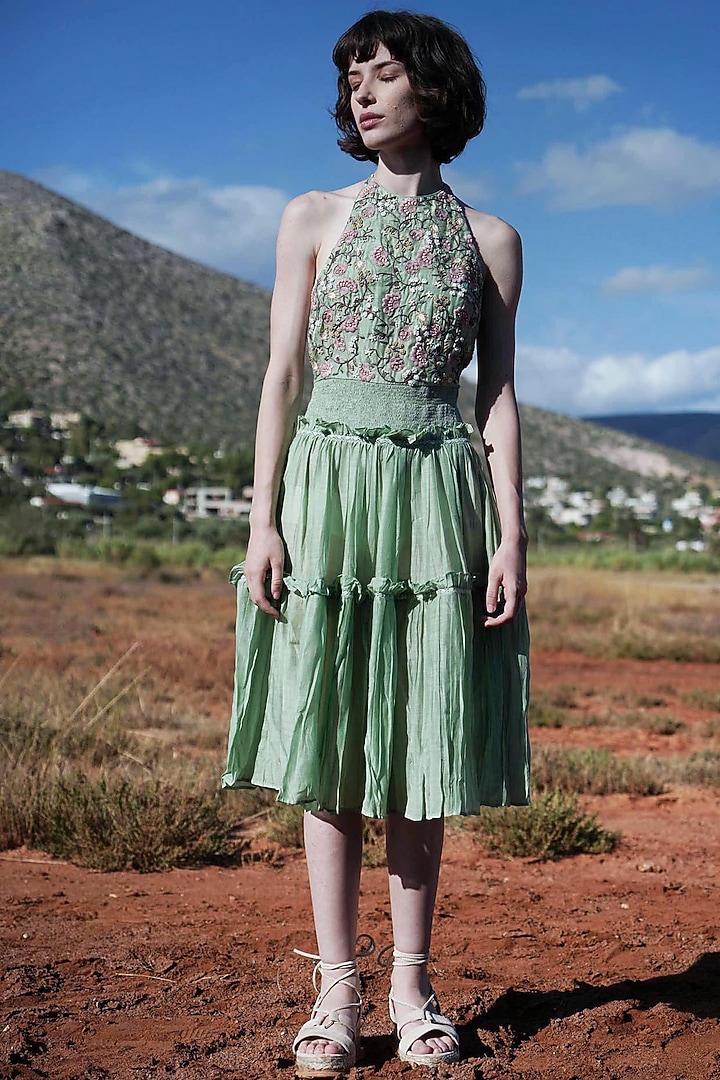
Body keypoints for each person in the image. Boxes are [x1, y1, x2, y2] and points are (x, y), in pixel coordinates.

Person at [221, 9, 530, 1074]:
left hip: (437, 497)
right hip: (330, 490)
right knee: (331, 740)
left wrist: (511, 537)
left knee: (417, 742)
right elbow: (281, 378)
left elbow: (496, 399)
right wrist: (261, 519)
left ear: (433, 91)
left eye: (383, 71)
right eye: (353, 72)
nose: (361, 88)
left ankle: (410, 982)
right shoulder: (310, 215)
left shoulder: (491, 239)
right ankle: (336, 993)